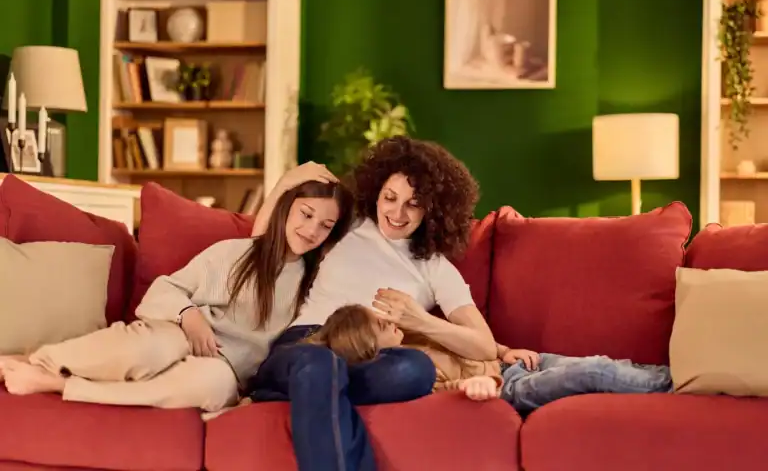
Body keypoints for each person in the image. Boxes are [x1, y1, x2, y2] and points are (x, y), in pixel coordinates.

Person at [247, 136, 496, 471]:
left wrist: (419, 320)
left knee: (416, 369)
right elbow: (264, 247)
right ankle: (307, 383)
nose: (397, 212)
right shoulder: (348, 224)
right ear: (376, 191)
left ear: (432, 209)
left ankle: (306, 392)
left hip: (368, 356)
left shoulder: (435, 267)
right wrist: (286, 183)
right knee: (320, 363)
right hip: (308, 342)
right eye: (390, 198)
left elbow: (483, 346)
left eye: (413, 203)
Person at [0, 179, 354, 413]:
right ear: (287, 208)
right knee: (151, 349)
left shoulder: (316, 285)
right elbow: (166, 290)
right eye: (306, 214)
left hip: (223, 367)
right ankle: (37, 359)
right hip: (179, 331)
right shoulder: (237, 252)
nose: (311, 230)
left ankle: (58, 384)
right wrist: (189, 315)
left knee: (210, 387)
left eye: (325, 226)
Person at [309, 304, 673, 415]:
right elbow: (443, 392)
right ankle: (684, 384)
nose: (391, 321)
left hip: (514, 364)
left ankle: (677, 374)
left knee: (605, 360)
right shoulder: (401, 372)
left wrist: (502, 351)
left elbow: (466, 344)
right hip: (511, 387)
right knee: (596, 371)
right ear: (372, 346)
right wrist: (474, 385)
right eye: (381, 325)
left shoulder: (411, 336)